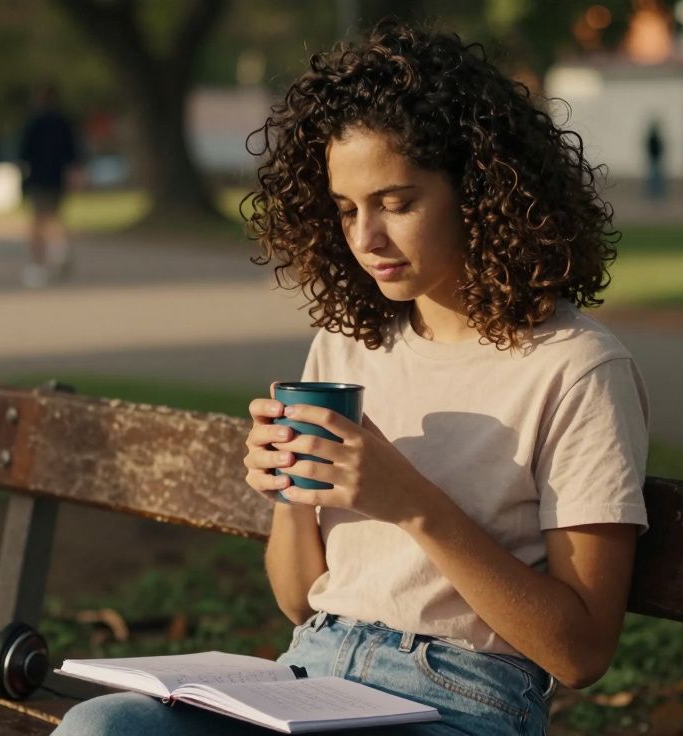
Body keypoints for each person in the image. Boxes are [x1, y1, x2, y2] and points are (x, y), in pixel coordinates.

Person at [54, 20, 649, 736]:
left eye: (396, 203)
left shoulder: (575, 368)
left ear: (481, 190)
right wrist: (288, 492)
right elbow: (303, 600)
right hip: (314, 672)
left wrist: (413, 505)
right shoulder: (347, 344)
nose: (367, 238)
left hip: (460, 699)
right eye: (346, 210)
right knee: (104, 726)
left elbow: (581, 651)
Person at [17, 83, 79, 288]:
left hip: (38, 177)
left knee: (38, 221)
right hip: (57, 177)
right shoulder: (63, 123)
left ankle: (38, 264)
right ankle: (61, 250)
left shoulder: (32, 123)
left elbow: (23, 154)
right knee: (56, 216)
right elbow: (72, 153)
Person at [644, 118, 665, 201]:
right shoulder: (653, 138)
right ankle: (653, 193)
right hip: (654, 159)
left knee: (656, 177)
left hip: (655, 159)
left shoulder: (654, 138)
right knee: (654, 177)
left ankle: (656, 193)